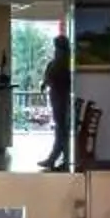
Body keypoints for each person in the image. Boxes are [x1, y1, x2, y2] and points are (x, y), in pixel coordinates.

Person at [41, 31, 74, 171]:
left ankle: (61, 159)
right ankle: (56, 158)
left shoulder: (63, 62)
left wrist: (47, 80)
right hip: (58, 99)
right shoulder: (60, 61)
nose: (56, 50)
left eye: (57, 47)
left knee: (62, 131)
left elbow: (53, 76)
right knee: (61, 130)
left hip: (61, 100)